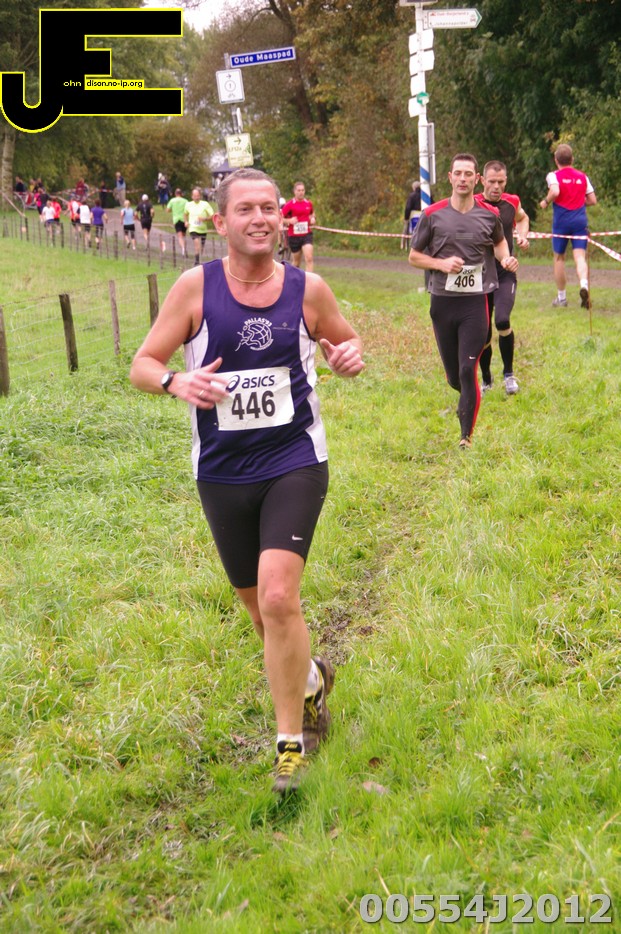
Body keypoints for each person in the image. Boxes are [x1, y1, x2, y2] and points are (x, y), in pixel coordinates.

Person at [129, 167, 365, 795]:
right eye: (246, 209)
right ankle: (310, 678)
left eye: (269, 208)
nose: (261, 218)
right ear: (222, 220)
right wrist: (176, 381)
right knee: (262, 614)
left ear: (282, 217)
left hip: (294, 460)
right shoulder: (195, 288)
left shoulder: (308, 289)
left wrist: (348, 358)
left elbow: (348, 347)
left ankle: (291, 746)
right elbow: (142, 363)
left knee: (280, 598)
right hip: (222, 472)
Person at [408, 153, 518, 449]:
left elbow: (499, 242)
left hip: (474, 303)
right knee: (455, 378)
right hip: (442, 303)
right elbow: (414, 256)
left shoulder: (489, 215)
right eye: (458, 173)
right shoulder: (433, 214)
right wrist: (441, 264)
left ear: (476, 179)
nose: (463, 179)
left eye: (469, 174)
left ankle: (465, 437)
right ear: (450, 177)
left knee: (469, 370)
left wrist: (506, 259)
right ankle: (466, 397)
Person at [475, 161, 530, 395]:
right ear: (482, 180)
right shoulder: (473, 203)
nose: (496, 186)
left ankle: (509, 375)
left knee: (503, 320)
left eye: (500, 182)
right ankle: (486, 379)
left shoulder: (511, 202)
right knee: (484, 331)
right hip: (480, 274)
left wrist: (522, 236)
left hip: (505, 271)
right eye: (492, 181)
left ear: (506, 181)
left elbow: (523, 218)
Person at [539, 143, 597, 309]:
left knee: (559, 258)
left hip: (561, 223)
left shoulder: (553, 176)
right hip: (580, 221)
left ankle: (562, 298)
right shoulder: (583, 177)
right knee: (580, 257)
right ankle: (584, 285)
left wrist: (545, 201)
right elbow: (592, 200)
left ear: (556, 160)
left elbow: (555, 191)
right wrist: (578, 201)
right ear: (572, 159)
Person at [281, 181, 316, 272]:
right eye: (299, 190)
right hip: (294, 236)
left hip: (306, 234)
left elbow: (312, 213)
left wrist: (313, 218)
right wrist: (289, 221)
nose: (301, 192)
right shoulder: (289, 205)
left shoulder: (308, 203)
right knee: (296, 263)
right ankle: (293, 277)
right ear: (294, 191)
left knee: (309, 258)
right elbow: (279, 217)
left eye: (302, 190)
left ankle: (309, 279)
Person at [184, 187, 214, 266]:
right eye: (195, 196)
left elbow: (212, 215)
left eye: (198, 196)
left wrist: (205, 219)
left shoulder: (205, 204)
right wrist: (186, 221)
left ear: (200, 196)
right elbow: (185, 214)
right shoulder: (188, 204)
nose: (196, 197)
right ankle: (196, 262)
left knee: (201, 247)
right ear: (192, 196)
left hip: (203, 229)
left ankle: (199, 260)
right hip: (193, 228)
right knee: (197, 243)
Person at [166, 188, 188, 257]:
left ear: (175, 194)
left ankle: (183, 248)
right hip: (184, 220)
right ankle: (184, 248)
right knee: (183, 235)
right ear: (181, 194)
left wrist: (173, 210)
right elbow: (188, 210)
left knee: (180, 236)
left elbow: (167, 210)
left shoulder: (172, 200)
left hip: (176, 220)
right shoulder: (185, 201)